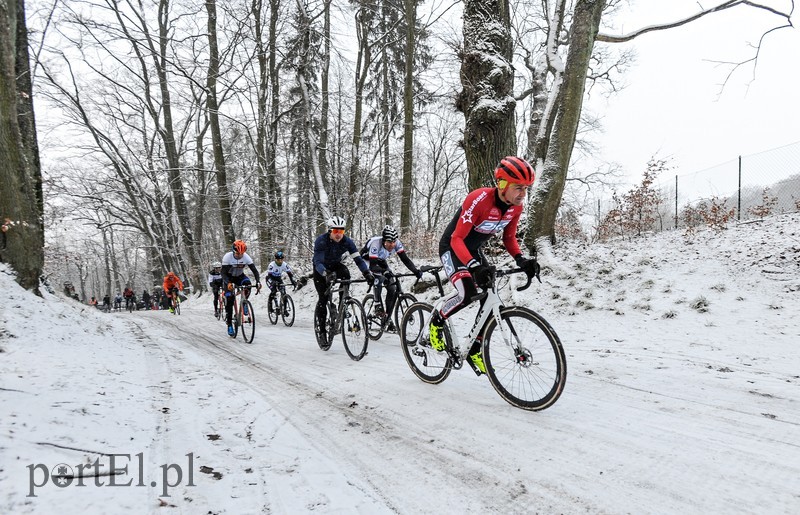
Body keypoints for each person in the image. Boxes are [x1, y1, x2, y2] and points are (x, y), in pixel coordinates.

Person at [430, 156, 541, 375]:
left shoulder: (515, 209)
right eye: (518, 188)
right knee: (468, 292)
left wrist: (521, 260)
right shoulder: (478, 199)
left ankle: (474, 349)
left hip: (473, 251)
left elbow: (509, 238)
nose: (523, 194)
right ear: (502, 184)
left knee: (491, 297)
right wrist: (473, 266)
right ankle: (437, 321)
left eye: (526, 189)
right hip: (453, 248)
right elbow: (456, 239)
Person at [312, 216, 374, 338]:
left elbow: (358, 259)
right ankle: (323, 332)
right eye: (336, 231)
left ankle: (343, 303)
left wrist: (366, 273)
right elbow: (318, 262)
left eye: (341, 231)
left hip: (335, 265)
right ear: (330, 231)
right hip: (320, 269)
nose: (339, 234)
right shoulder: (321, 241)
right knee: (323, 299)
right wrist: (326, 274)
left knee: (346, 274)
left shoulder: (347, 241)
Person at [362, 225, 422, 332]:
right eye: (389, 242)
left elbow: (405, 259)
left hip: (380, 260)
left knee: (392, 288)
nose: (391, 245)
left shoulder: (397, 243)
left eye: (393, 242)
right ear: (384, 240)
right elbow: (373, 266)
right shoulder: (376, 244)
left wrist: (416, 271)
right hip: (368, 260)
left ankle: (387, 318)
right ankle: (377, 304)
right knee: (379, 278)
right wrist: (384, 272)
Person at [221, 240, 261, 336]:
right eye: (238, 253)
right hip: (229, 278)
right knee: (230, 300)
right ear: (233, 251)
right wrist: (228, 283)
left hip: (240, 277)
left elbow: (255, 271)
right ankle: (229, 324)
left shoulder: (246, 257)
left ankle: (244, 302)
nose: (240, 255)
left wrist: (258, 281)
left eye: (241, 254)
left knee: (248, 285)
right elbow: (223, 273)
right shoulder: (227, 257)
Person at [265, 250, 297, 315]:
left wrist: (293, 281)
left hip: (278, 279)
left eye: (281, 259)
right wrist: (273, 282)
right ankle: (270, 307)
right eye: (278, 260)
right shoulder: (272, 265)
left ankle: (284, 310)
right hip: (270, 278)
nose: (280, 261)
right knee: (273, 291)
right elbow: (270, 275)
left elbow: (290, 274)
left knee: (283, 292)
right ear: (275, 259)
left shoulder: (285, 265)